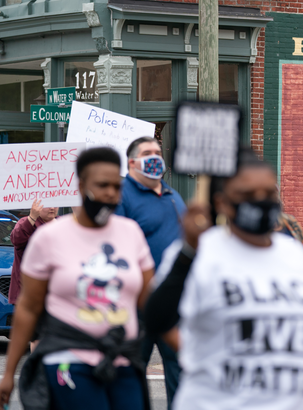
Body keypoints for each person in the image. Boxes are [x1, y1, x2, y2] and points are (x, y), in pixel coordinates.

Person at [143, 146, 303, 410]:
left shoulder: (296, 257)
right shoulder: (200, 253)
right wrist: (188, 253)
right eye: (248, 195)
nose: (260, 201)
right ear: (222, 202)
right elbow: (155, 319)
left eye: (268, 193)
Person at [0, 147, 155, 410]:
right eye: (102, 185)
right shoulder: (49, 237)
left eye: (117, 185)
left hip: (123, 361)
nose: (110, 193)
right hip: (69, 360)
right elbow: (28, 307)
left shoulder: (131, 233)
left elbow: (152, 301)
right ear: (81, 186)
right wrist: (8, 373)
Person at [114, 136, 187, 409]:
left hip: (173, 304)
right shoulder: (122, 195)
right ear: (132, 162)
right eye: (147, 152)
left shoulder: (172, 195)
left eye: (158, 151)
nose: (155, 156)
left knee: (180, 373)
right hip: (137, 305)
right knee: (130, 374)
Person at [9, 199, 58, 351]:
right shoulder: (28, 223)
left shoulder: (65, 225)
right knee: (37, 335)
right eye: (47, 204)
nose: (52, 207)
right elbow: (16, 239)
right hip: (33, 292)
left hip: (58, 291)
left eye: (55, 203)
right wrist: (31, 217)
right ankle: (37, 370)